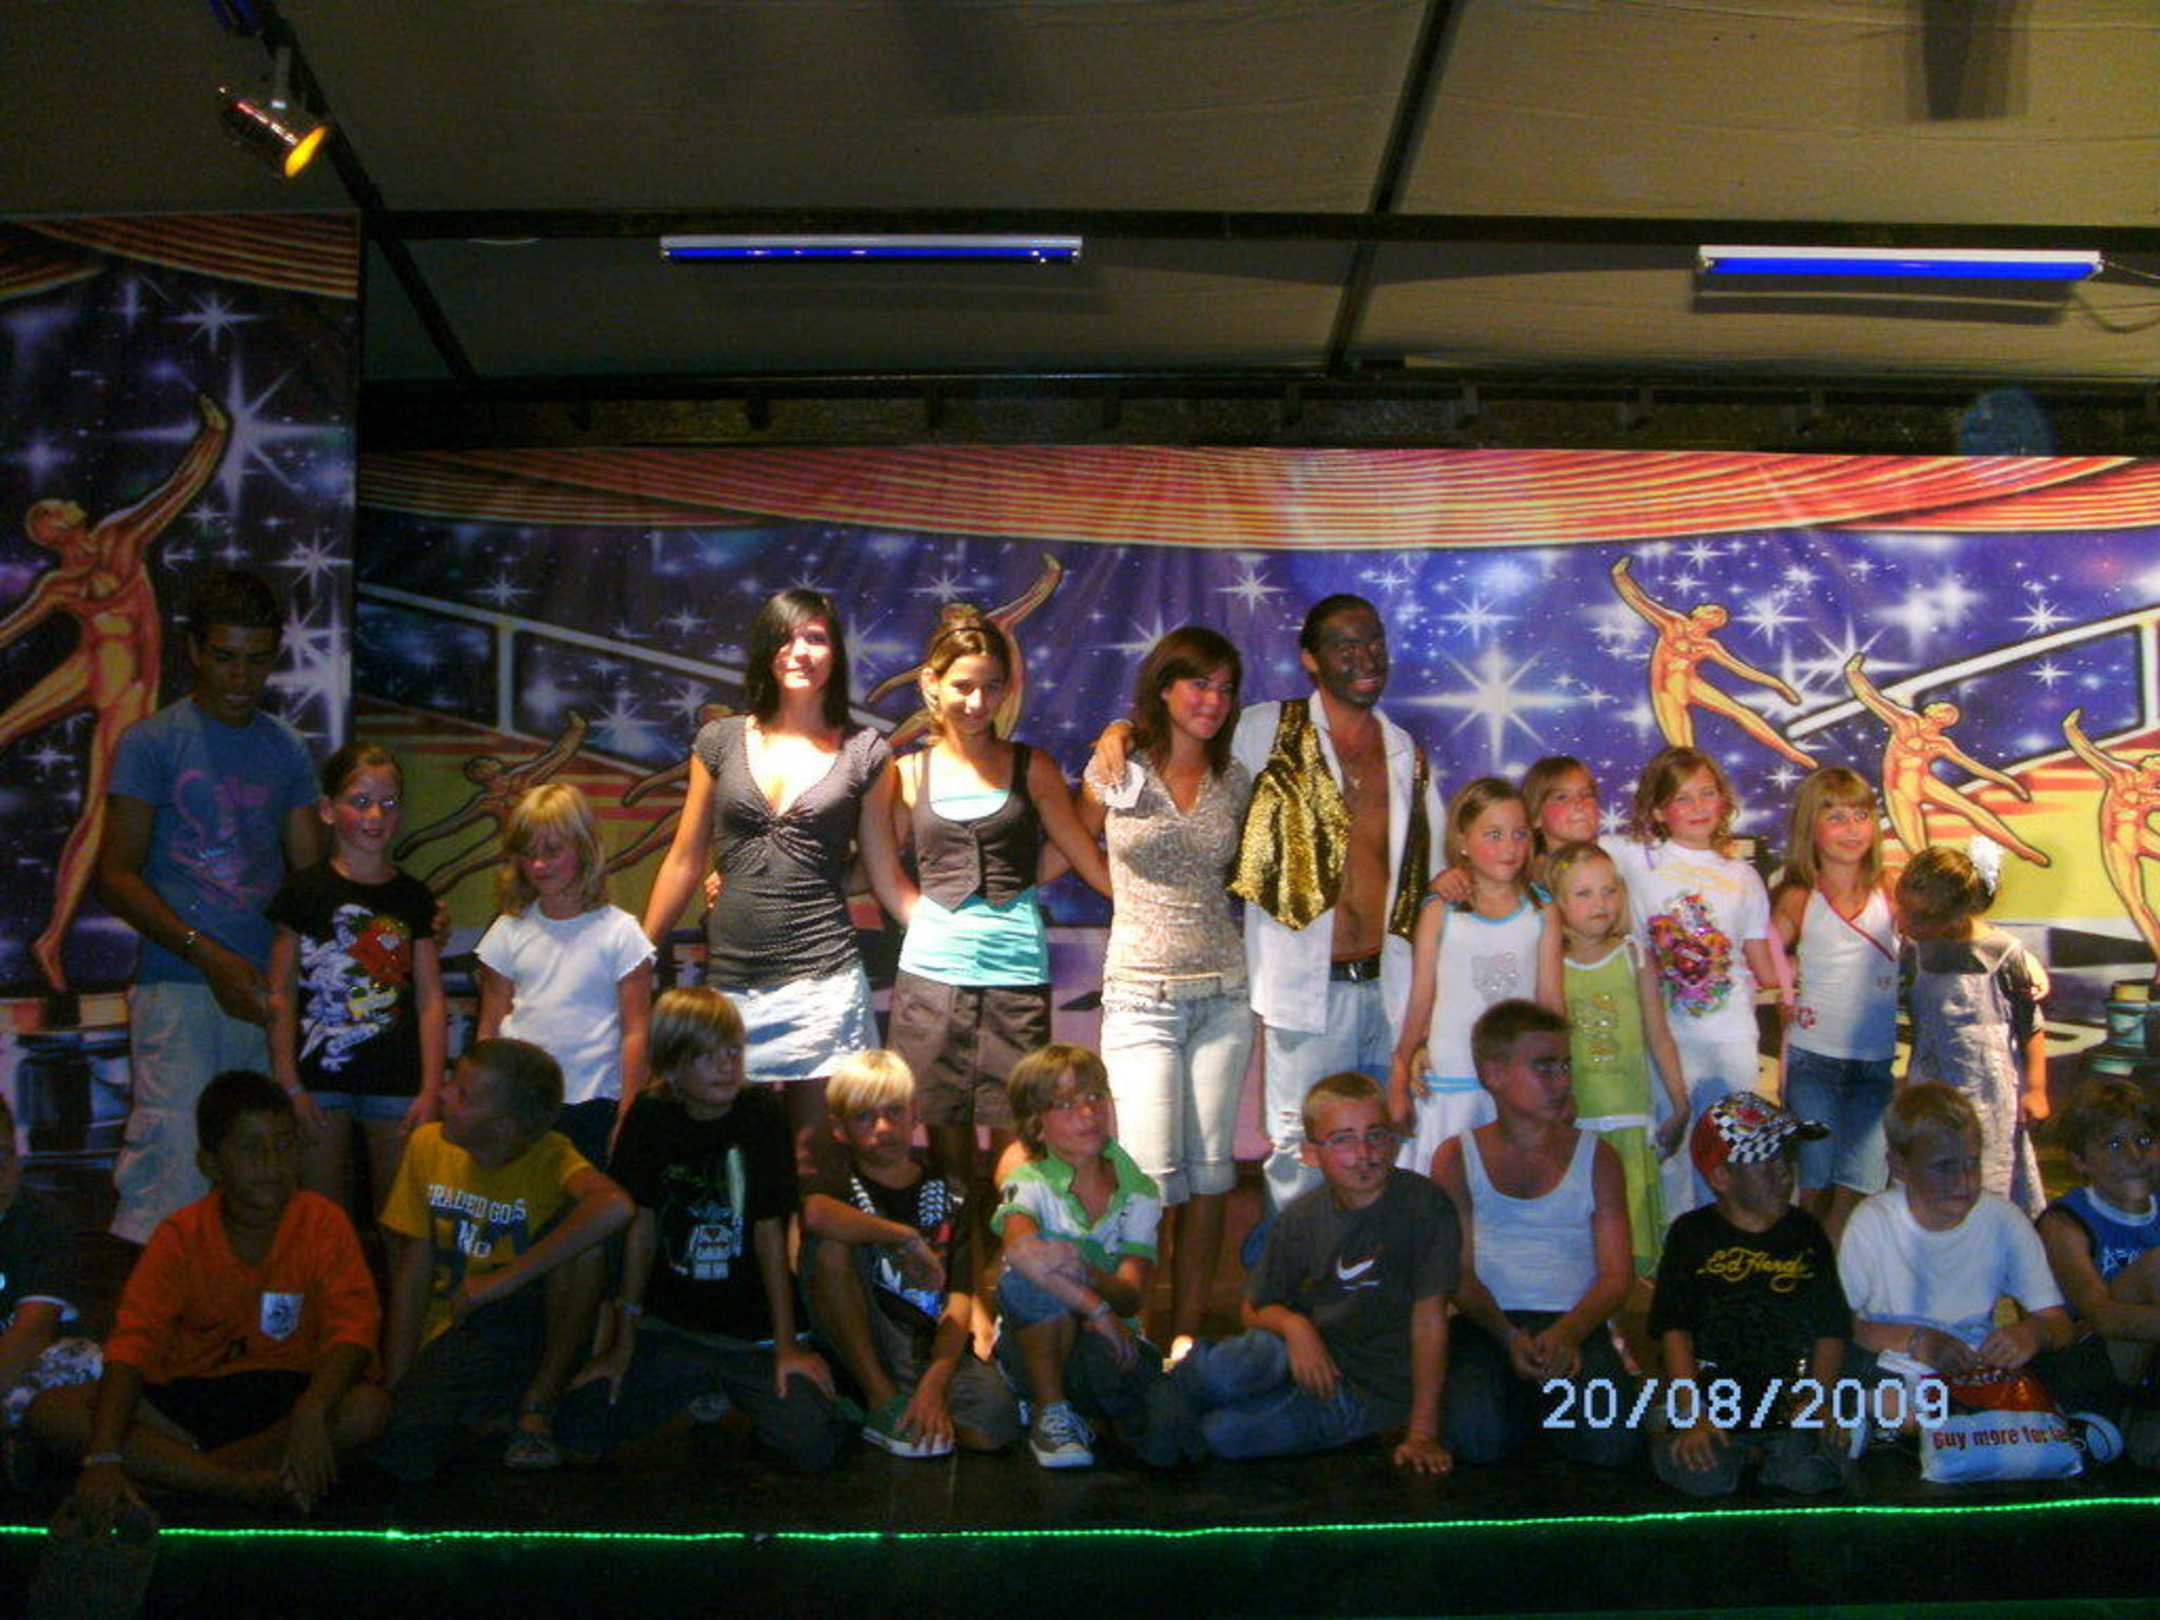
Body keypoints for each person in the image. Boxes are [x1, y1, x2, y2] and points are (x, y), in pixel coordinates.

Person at [1092, 594, 1440, 1216]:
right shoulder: (1264, 730)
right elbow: (1181, 737)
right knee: (1298, 1156)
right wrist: (1120, 732)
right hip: (1307, 992)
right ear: (1310, 659)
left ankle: (1375, 1276)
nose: (1365, 658)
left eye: (1374, 643)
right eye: (1345, 646)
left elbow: (1431, 870)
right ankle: (1292, 1276)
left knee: (1388, 1148)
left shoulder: (1403, 751)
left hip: (1390, 987)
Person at [640, 587, 916, 1168]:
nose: (800, 652)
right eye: (786, 638)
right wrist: (640, 952)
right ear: (766, 651)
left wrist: (951, 936)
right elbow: (685, 859)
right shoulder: (719, 741)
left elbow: (885, 876)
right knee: (728, 1164)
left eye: (815, 638)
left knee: (815, 1164)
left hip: (824, 982)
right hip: (730, 985)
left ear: (836, 652)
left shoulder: (866, 752)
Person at [27, 1072, 387, 1517]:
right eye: (252, 1149)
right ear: (210, 1164)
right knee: (52, 1410)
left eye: (283, 1145)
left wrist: (313, 1409)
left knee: (366, 1409)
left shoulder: (322, 1221)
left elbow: (354, 1330)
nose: (271, 1163)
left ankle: (175, 1476)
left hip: (288, 1400)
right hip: (189, 1401)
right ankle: (230, 1483)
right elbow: (132, 1345)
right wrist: (102, 1456)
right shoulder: (180, 1234)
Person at [97, 569, 321, 1245]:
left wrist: (393, 915)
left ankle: (244, 1312)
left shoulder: (286, 747)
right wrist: (206, 954)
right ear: (194, 650)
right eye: (225, 657)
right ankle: (157, 1314)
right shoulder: (151, 742)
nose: (241, 677)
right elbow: (116, 876)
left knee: (258, 1180)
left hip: (264, 993)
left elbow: (313, 880)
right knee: (172, 1170)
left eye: (258, 659)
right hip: (179, 983)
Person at [558, 988, 849, 1472]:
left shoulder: (760, 1112)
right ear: (673, 1065)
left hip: (750, 1334)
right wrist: (621, 1345)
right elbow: (641, 1229)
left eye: (733, 1051)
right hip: (670, 1328)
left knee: (813, 1442)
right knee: (580, 1425)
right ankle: (699, 1394)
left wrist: (786, 1345)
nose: (726, 1066)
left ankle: (729, 1399)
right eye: (707, 1055)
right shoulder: (649, 1116)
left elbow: (770, 1232)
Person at [0, 393, 229, 990]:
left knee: (98, 812)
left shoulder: (122, 537)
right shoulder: (59, 585)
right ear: (51, 533)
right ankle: (51, 938)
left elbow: (180, 487)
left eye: (55, 507)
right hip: (89, 665)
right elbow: (9, 630)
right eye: (48, 513)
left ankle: (52, 937)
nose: (59, 509)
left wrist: (213, 434)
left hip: (127, 687)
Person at [889, 603, 1113, 1203]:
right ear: (931, 684)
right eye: (963, 686)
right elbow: (870, 866)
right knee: (949, 1163)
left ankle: (1014, 1260)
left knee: (1020, 1153)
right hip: (931, 981)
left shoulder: (1031, 766)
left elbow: (1075, 849)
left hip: (1015, 977)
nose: (977, 701)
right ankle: (960, 1264)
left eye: (992, 687)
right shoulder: (906, 773)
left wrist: (1137, 897)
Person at [1078, 625, 1253, 1364]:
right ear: (1164, 686)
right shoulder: (1119, 767)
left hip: (1223, 995)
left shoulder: (1236, 778)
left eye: (1224, 688)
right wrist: (1118, 895)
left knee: (1211, 1175)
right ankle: (1135, 1332)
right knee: (1147, 1178)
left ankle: (1186, 1333)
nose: (1212, 700)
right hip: (1139, 998)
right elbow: (1073, 836)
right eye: (1197, 683)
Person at [371, 1039, 633, 1481]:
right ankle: (484, 1418)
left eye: (463, 1094)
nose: (444, 1095)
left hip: (520, 1323)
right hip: (455, 1326)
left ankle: (538, 1403)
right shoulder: (427, 1145)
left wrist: (500, 1282)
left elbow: (615, 1206)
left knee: (587, 1242)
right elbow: (413, 1268)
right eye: (451, 1082)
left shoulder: (551, 1155)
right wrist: (396, 1381)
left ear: (504, 1128)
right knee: (404, 1450)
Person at [1172, 1072, 1454, 1473]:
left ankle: (1172, 1414)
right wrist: (1296, 1328)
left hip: (1366, 1392)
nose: (1364, 1153)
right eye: (1343, 1140)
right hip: (1305, 1354)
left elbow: (1429, 1320)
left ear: (1393, 1140)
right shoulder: (1302, 1218)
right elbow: (1253, 1308)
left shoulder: (1424, 1207)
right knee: (1223, 1373)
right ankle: (1159, 1394)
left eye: (1376, 1135)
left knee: (1223, 1434)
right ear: (1310, 1153)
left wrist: (1423, 1432)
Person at [1433, 1001, 1638, 1468]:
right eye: (1544, 1067)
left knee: (1615, 1445)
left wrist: (1569, 1333)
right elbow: (1458, 1275)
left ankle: (1539, 1414)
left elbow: (1617, 1276)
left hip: (1574, 1319)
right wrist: (1507, 1336)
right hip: (1488, 1322)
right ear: (1494, 1074)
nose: (1562, 1082)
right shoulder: (1456, 1157)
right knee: (1475, 1439)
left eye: (1565, 1066)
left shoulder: (1599, 1157)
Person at [802, 1049, 1019, 1458]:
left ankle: (905, 1408)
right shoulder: (836, 1182)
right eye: (864, 1117)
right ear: (840, 1129)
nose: (883, 1127)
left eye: (894, 1111)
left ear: (915, 1113)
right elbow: (813, 1214)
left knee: (995, 1426)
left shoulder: (951, 1191)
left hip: (924, 1344)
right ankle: (879, 1398)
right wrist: (905, 1237)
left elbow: (959, 1298)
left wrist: (935, 1383)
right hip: (865, 1339)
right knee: (830, 1246)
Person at [990, 1044, 1197, 1470]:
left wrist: (1086, 1273)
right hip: (1042, 1336)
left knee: (1174, 1441)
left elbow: (1131, 1296)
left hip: (1108, 1338)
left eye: (1095, 1096)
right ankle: (1049, 1406)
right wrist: (1095, 1306)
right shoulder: (1028, 1181)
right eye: (1066, 1104)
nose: (1088, 1113)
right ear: (1037, 1126)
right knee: (1029, 1277)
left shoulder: (1138, 1189)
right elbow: (1023, 1253)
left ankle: (1085, 1411)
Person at [266, 741, 446, 1224]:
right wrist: (289, 1084)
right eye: (360, 801)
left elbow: (430, 999)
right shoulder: (304, 892)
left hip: (396, 1081)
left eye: (388, 803)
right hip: (318, 1080)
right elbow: (280, 993)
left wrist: (431, 1088)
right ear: (328, 810)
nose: (375, 815)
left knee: (401, 1220)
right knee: (322, 1219)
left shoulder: (412, 896)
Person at [1649, 1092, 1851, 1497]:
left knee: (1814, 1472)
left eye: (1786, 1158)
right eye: (1766, 1162)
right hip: (1714, 1403)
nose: (1784, 1172)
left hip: (1787, 1404)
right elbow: (1674, 1330)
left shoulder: (1805, 1232)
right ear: (1721, 1178)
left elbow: (1830, 1327)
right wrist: (1692, 1412)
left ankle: (1769, 1459)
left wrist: (1819, 1395)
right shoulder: (1691, 1235)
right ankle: (1678, 1431)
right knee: (1703, 1476)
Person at [1610, 745, 1778, 1217]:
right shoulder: (1637, 861)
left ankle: (1725, 1240)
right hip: (1668, 1039)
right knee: (1671, 1151)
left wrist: (1800, 983)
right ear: (1658, 811)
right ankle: (1673, 1242)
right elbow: (1565, 855)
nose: (1699, 807)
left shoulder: (1742, 875)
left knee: (1731, 1151)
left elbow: (1761, 957)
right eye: (1683, 799)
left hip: (1732, 1036)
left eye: (1707, 793)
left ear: (1724, 800)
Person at [1838, 1084, 2071, 1397]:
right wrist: (1916, 1341)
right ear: (1900, 1166)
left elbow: (2058, 1323)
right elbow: (1841, 1327)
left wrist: (2032, 1332)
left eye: (1972, 1162)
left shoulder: (2003, 1220)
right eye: (1944, 1167)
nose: (1964, 1180)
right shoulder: (1873, 1221)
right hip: (1887, 1370)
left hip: (1971, 1373)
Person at [475, 782, 655, 1168]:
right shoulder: (507, 932)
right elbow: (489, 1028)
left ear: (584, 848)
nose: (540, 865)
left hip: (596, 1104)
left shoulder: (621, 934)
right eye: (529, 853)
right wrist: (482, 1104)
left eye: (553, 851)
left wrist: (628, 1113)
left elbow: (636, 1032)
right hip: (520, 1105)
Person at [1390, 777, 1560, 1177]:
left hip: (1518, 1079)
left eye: (1520, 834)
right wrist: (1400, 1068)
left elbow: (1551, 1003)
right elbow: (1422, 997)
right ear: (1462, 840)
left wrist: (1556, 1075)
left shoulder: (1542, 910)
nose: (1509, 847)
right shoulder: (1441, 910)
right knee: (1449, 1183)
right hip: (1452, 1075)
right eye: (1494, 835)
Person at [1547, 839, 1688, 1278]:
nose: (1600, 903)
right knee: (1583, 1242)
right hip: (1576, 1123)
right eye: (1584, 893)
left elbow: (1659, 1036)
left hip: (1629, 1120)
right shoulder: (1551, 964)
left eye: (1609, 891)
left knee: (1630, 1240)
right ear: (1558, 903)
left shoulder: (1633, 956)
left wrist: (1680, 1102)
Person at [1772, 767, 1898, 1242]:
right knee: (1814, 1180)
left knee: (1860, 1182)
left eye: (1860, 816)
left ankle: (1829, 1262)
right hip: (1814, 1060)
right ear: (1810, 827)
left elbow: (1939, 928)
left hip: (1874, 1063)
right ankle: (1802, 1261)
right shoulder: (1798, 896)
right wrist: (1785, 988)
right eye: (1836, 817)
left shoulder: (1891, 887)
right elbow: (1762, 954)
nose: (1851, 829)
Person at [1896, 845, 2048, 1217]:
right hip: (1930, 1086)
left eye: (1920, 917)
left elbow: (2030, 1024)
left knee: (1989, 1172)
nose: (1906, 923)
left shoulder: (2003, 953)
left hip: (1989, 1092)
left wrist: (2036, 1089)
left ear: (1955, 914)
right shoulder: (1913, 952)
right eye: (1904, 910)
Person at [2032, 1078, 2160, 1458]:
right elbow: (2100, 1316)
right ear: (2080, 1161)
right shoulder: (2065, 1223)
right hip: (2085, 1368)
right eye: (2114, 1145)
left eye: (2144, 1140)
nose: (2135, 1156)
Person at [1845, 654, 2048, 867]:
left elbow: (1975, 768)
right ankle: (1934, 880)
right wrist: (1853, 673)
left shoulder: (1941, 744)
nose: (1944, 713)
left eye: (1949, 714)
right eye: (1942, 709)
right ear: (1931, 711)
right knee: (1918, 852)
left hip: (1925, 782)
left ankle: (2021, 849)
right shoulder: (1907, 722)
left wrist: (2010, 782)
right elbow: (1872, 699)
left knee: (1973, 810)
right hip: (1899, 791)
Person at [1609, 557, 1814, 768]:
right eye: (1708, 607)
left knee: (1739, 711)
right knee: (1684, 752)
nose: (1703, 606)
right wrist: (1620, 577)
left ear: (1712, 620)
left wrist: (1778, 685)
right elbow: (1641, 602)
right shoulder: (1674, 624)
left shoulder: (1709, 645)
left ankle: (1790, 752)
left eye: (1710, 609)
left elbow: (1742, 670)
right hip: (1666, 691)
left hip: (1691, 683)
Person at [1, 1095, 101, 1484]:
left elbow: (32, 1333)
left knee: (81, 1362)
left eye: (6, 1155)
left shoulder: (39, 1221)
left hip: (39, 1368)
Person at [2061, 708, 2160, 975]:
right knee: (2135, 903)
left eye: (2158, 760)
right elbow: (2090, 753)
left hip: (2140, 835)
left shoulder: (2154, 794)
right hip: (2117, 844)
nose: (2153, 757)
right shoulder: (2122, 775)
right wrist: (2071, 729)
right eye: (2154, 756)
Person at [1521, 754, 1604, 886]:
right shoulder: (1531, 880)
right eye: (1562, 797)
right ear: (1536, 817)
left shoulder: (1615, 859)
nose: (1579, 803)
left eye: (1587, 794)